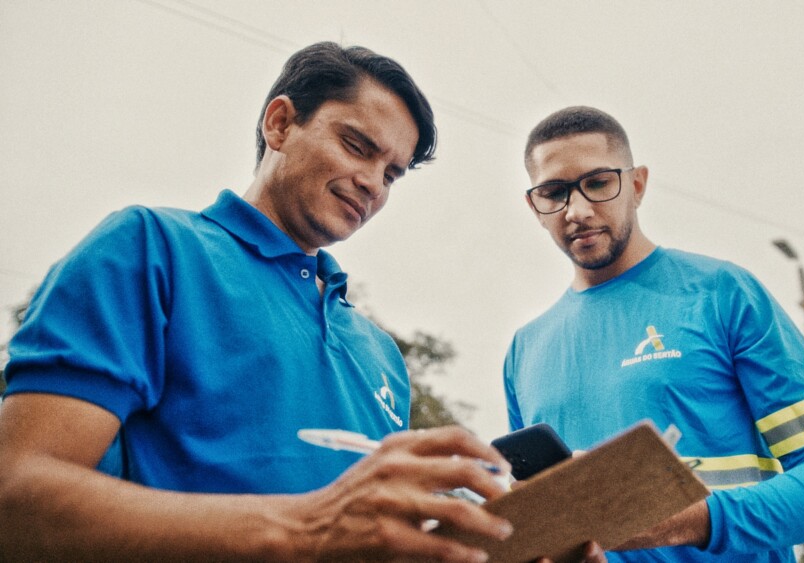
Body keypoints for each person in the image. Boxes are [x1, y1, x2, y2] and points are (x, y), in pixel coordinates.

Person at [0, 42, 514, 562]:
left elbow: (373, 539)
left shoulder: (380, 355)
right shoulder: (150, 247)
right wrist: (305, 528)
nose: (372, 185)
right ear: (280, 123)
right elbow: (16, 501)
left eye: (391, 174)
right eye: (357, 146)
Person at [503, 106, 804, 562]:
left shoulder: (722, 294)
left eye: (599, 183)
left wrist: (682, 520)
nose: (577, 211)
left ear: (637, 185)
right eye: (554, 192)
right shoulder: (525, 349)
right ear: (534, 205)